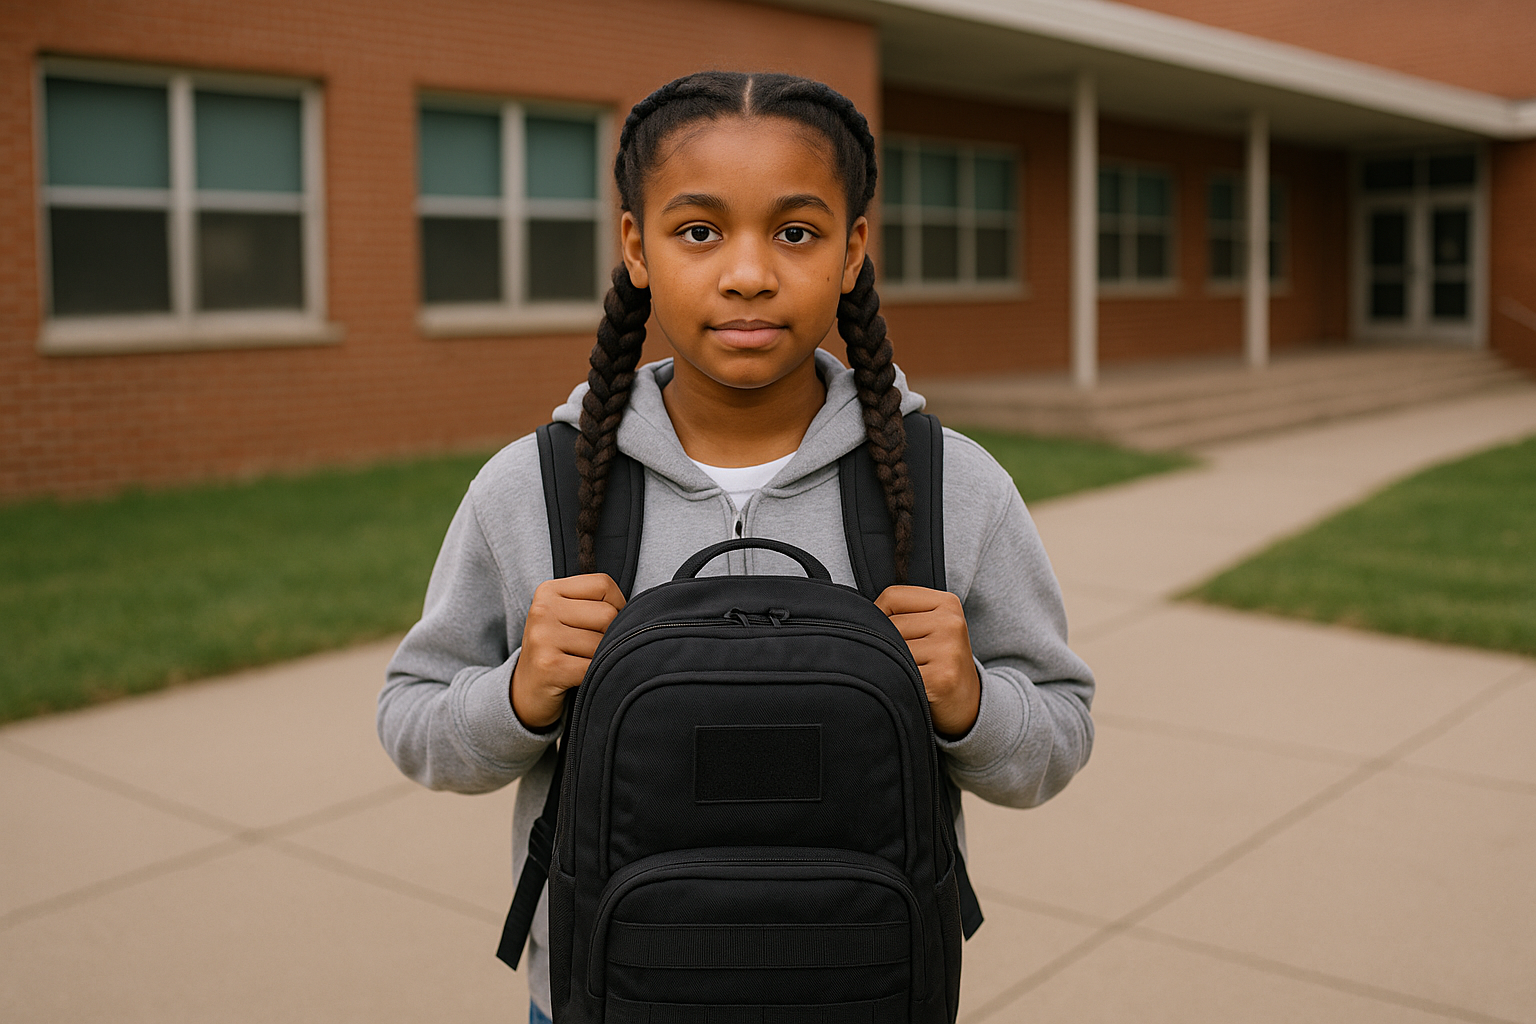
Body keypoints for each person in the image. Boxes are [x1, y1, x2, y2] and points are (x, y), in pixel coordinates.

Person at [377, 70, 1094, 1024]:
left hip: (867, 989)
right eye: (700, 230)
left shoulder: (946, 485)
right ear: (636, 245)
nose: (748, 272)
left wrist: (970, 703)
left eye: (795, 232)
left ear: (852, 251)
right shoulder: (536, 489)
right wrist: (518, 694)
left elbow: (1060, 734)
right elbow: (414, 722)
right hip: (607, 994)